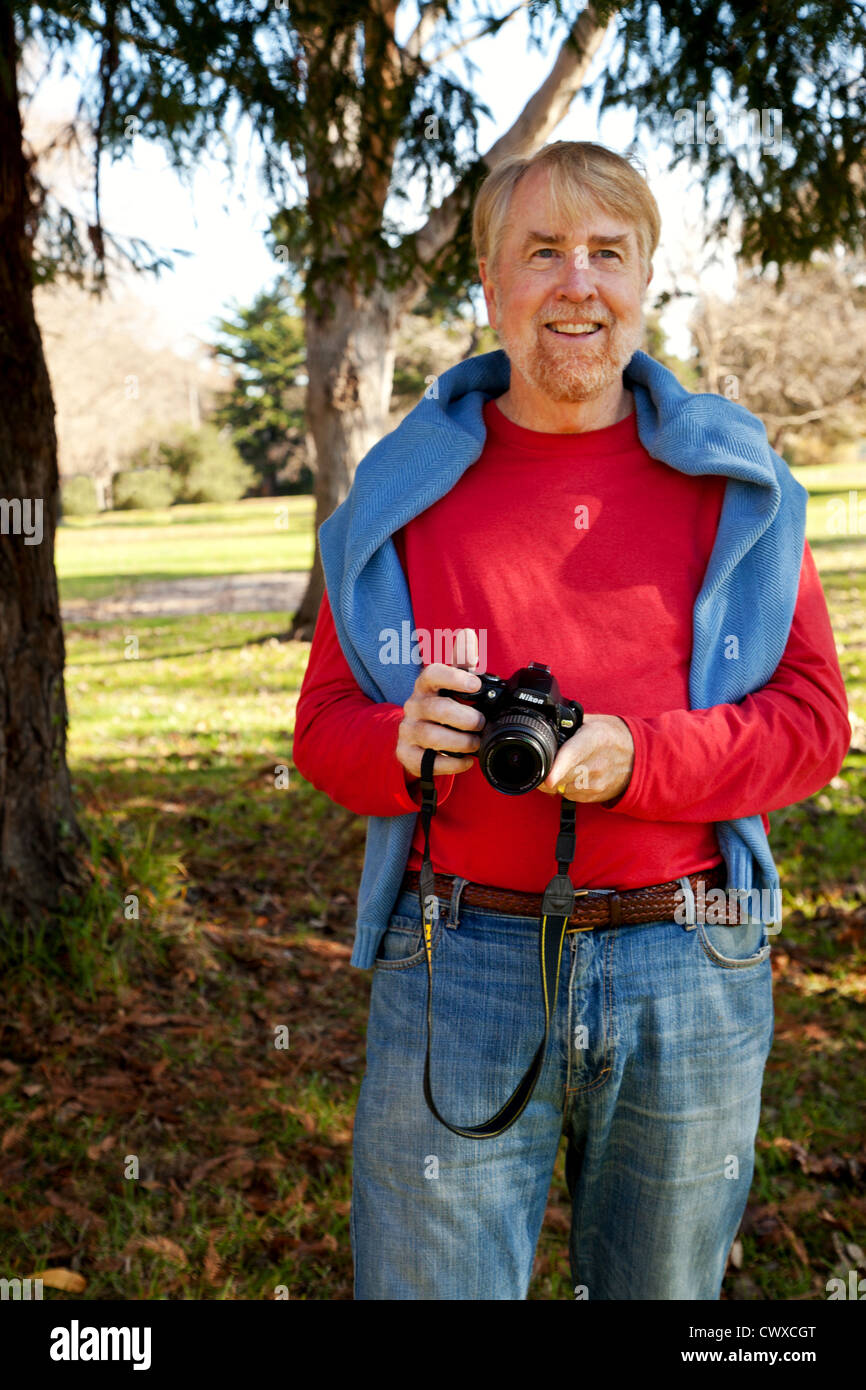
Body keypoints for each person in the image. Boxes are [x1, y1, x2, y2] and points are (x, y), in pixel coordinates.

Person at [292, 141, 850, 1300]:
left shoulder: (733, 483)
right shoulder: (402, 491)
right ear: (489, 286)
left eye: (607, 253)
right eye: (541, 252)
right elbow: (327, 729)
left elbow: (809, 721)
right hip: (459, 955)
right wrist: (397, 745)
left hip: (688, 954)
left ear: (643, 279)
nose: (576, 284)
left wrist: (640, 757)